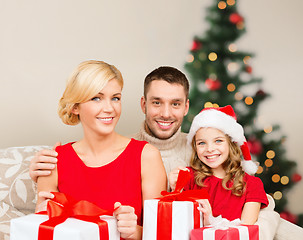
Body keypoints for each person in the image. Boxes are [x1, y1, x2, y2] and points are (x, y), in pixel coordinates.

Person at [30, 66, 303, 239]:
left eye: (115, 98)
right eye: (156, 102)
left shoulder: (205, 150)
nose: (165, 113)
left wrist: (247, 232)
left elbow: (251, 195)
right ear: (143, 104)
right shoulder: (131, 152)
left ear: (186, 107)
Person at [35, 60, 166, 240]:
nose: (109, 108)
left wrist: (133, 232)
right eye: (96, 98)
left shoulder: (147, 156)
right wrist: (41, 216)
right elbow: (42, 231)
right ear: (75, 107)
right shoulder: (54, 162)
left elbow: (160, 234)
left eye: (115, 98)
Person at [169, 105, 268, 226]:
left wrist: (210, 221)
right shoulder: (189, 177)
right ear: (195, 147)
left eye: (218, 141)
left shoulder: (252, 185)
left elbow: (245, 231)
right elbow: (176, 223)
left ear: (231, 143)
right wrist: (175, 189)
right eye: (202, 143)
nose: (210, 149)